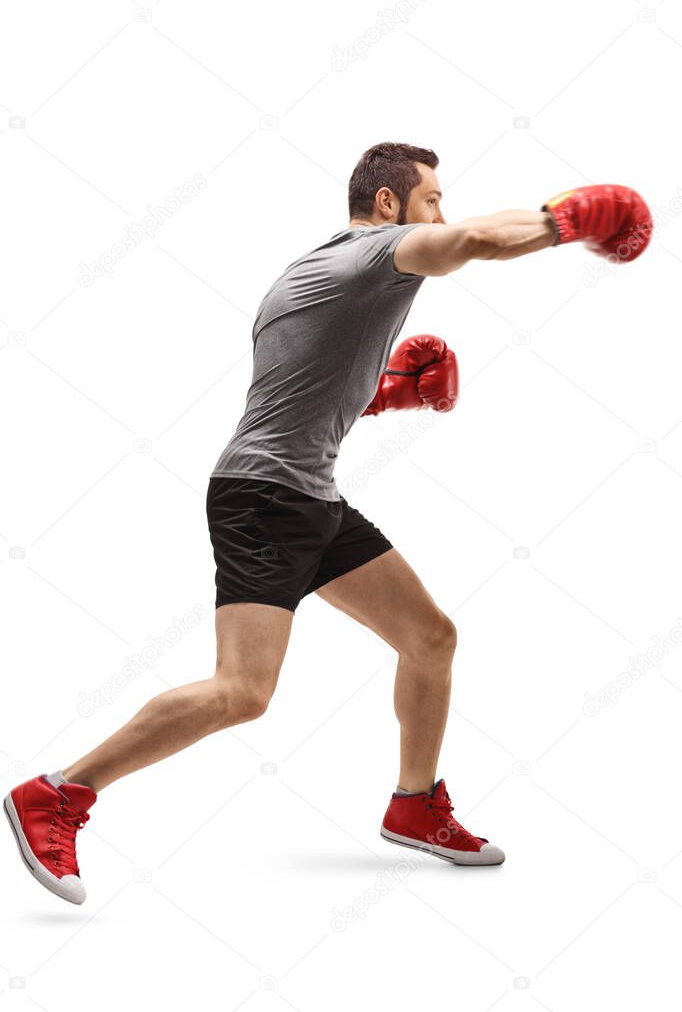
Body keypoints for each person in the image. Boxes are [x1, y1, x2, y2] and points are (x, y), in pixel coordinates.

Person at [4, 143, 651, 903]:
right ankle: (60, 791)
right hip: (265, 500)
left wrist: (385, 395)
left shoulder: (312, 272)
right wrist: (566, 220)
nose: (439, 212)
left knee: (430, 636)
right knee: (243, 690)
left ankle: (414, 803)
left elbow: (298, 387)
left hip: (306, 496)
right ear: (387, 203)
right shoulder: (378, 252)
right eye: (431, 199)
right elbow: (475, 241)